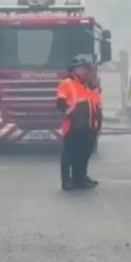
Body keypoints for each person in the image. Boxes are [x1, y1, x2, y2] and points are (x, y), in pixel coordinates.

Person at [55, 54, 102, 191]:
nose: (87, 71)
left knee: (84, 153)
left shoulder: (91, 86)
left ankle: (80, 177)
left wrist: (98, 124)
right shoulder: (67, 83)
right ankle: (67, 180)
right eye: (84, 68)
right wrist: (70, 114)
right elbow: (60, 102)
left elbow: (97, 105)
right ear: (75, 69)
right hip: (73, 126)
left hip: (89, 126)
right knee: (69, 154)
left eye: (88, 69)